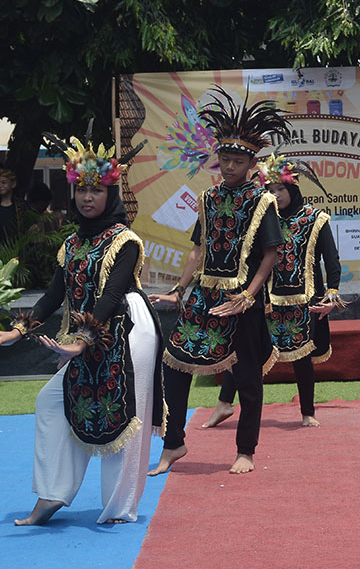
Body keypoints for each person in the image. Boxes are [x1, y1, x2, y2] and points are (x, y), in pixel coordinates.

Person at [0, 135, 162, 525]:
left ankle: (118, 507)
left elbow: (111, 296)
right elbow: (54, 296)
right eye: (81, 190)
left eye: (96, 190)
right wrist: (18, 331)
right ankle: (52, 496)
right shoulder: (72, 243)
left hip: (127, 329)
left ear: (110, 194)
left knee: (124, 414)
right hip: (81, 335)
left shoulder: (125, 241)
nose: (87, 198)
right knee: (51, 403)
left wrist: (84, 340)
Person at [148, 86, 289, 477]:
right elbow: (197, 249)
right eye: (224, 159)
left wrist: (247, 296)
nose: (229, 166)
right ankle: (174, 443)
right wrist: (180, 289)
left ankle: (246, 450)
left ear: (250, 162)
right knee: (174, 365)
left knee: (246, 376)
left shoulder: (263, 201)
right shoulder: (208, 198)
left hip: (242, 300)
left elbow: (270, 255)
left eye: (237, 160)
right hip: (203, 296)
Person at [252, 153, 342, 426]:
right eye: (269, 190)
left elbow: (332, 260)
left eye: (280, 189)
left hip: (305, 300)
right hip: (267, 300)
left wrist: (332, 296)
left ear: (292, 188)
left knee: (302, 359)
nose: (275, 194)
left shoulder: (315, 218)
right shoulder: (261, 221)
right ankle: (229, 406)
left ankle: (307, 413)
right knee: (251, 356)